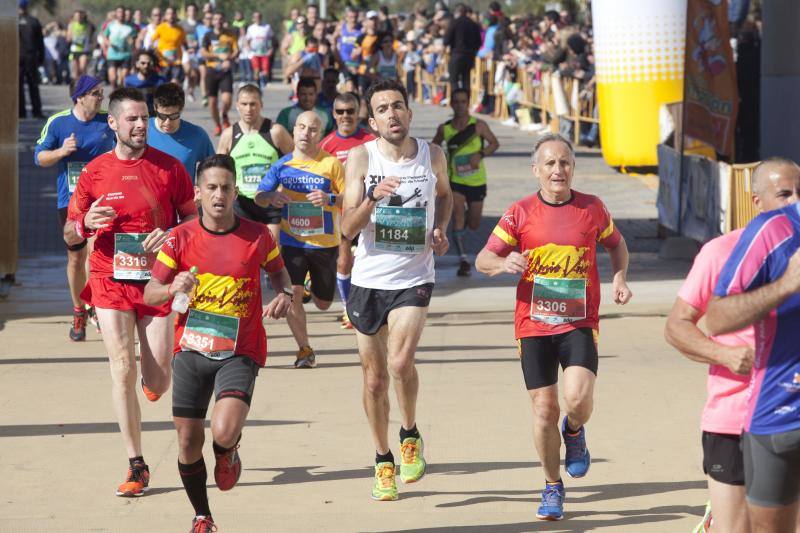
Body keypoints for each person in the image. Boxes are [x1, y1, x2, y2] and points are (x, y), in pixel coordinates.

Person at [475, 133, 632, 521]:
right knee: (544, 409)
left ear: (573, 168)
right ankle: (551, 485)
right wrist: (503, 263)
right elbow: (482, 259)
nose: (558, 169)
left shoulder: (592, 208)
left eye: (564, 162)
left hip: (579, 321)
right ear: (536, 170)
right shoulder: (519, 213)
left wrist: (620, 278)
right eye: (550, 163)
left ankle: (574, 430)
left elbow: (616, 244)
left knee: (576, 400)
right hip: (533, 324)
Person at [144, 154, 293, 533]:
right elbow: (150, 292)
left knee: (223, 431)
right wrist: (171, 288)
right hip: (190, 349)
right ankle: (202, 516)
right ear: (197, 193)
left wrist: (286, 294)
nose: (219, 195)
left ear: (236, 191)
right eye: (211, 187)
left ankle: (228, 450)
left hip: (239, 349)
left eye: (226, 187)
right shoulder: (180, 238)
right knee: (187, 440)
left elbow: (279, 274)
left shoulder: (258, 236)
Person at [65, 87, 197, 497]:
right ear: (113, 123)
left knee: (158, 378)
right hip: (109, 278)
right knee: (121, 366)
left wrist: (172, 235)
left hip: (156, 281)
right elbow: (69, 233)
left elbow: (193, 223)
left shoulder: (169, 168)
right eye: (132, 119)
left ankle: (152, 379)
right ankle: (136, 464)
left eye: (144, 118)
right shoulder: (94, 172)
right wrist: (84, 222)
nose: (141, 125)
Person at [665, 159, 800, 533]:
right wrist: (722, 353)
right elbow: (676, 326)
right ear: (757, 202)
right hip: (733, 418)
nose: (794, 202)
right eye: (784, 194)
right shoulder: (722, 251)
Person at [341, 79, 453, 500]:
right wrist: (372, 197)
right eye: (383, 109)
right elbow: (346, 227)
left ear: (409, 112)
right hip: (368, 281)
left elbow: (446, 197)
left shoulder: (432, 155)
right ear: (373, 121)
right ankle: (382, 458)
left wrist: (440, 228)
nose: (392, 113)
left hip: (414, 277)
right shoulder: (361, 158)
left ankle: (409, 434)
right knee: (374, 381)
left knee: (400, 362)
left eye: (398, 106)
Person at [254, 111, 344, 368]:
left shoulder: (331, 164)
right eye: (301, 127)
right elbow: (259, 196)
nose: (306, 133)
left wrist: (329, 199)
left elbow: (350, 197)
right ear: (293, 131)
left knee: (324, 303)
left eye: (312, 129)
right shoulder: (282, 165)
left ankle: (310, 284)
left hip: (325, 244)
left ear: (320, 134)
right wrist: (271, 197)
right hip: (292, 242)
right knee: (291, 294)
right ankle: (305, 350)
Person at [35, 75, 114, 340]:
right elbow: (40, 158)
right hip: (70, 202)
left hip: (102, 199)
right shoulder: (58, 122)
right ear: (79, 96)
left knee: (96, 253)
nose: (101, 97)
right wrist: (61, 152)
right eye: (95, 93)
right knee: (76, 258)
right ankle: (79, 310)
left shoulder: (108, 121)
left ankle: (97, 307)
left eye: (101, 93)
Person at [319, 92, 375, 329]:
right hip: (341, 213)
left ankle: (371, 305)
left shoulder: (371, 140)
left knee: (369, 261)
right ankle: (348, 309)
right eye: (340, 111)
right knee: (343, 262)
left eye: (350, 111)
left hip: (370, 211)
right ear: (333, 114)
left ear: (358, 112)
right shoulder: (326, 144)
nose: (345, 116)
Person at [432, 87, 500, 276]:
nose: (460, 105)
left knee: (474, 223)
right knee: (458, 215)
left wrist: (480, 154)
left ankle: (464, 228)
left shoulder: (478, 125)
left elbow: (494, 143)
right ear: (451, 104)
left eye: (463, 102)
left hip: (477, 181)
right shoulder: (445, 128)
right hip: (455, 180)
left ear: (468, 104)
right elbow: (433, 148)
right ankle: (463, 259)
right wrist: (442, 160)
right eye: (457, 102)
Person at [217, 84, 294, 243]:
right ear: (237, 105)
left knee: (272, 250)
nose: (249, 109)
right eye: (244, 104)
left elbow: (295, 160)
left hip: (270, 200)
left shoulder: (275, 131)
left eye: (253, 104)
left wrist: (282, 187)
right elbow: (218, 171)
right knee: (243, 252)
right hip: (241, 202)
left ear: (261, 105)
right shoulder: (229, 135)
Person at [148, 83, 215, 182]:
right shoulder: (142, 131)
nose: (167, 122)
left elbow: (213, 170)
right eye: (162, 116)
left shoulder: (197, 135)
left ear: (181, 109)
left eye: (173, 116)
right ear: (155, 107)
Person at [201, 12, 238, 136]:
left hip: (225, 71)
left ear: (224, 20)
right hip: (212, 70)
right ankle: (218, 125)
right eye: (216, 19)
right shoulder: (208, 35)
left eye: (221, 19)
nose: (218, 21)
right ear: (213, 21)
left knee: (227, 99)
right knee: (212, 103)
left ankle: (224, 114)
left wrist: (229, 59)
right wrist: (217, 55)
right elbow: (203, 52)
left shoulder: (230, 34)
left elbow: (236, 51)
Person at [443, 3, 482, 95]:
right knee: (466, 80)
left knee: (454, 80)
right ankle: (466, 99)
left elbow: (446, 41)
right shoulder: (474, 24)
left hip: (456, 54)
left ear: (457, 12)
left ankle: (456, 99)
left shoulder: (454, 23)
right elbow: (479, 42)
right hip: (469, 56)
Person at [19, 0, 45, 119]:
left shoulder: (12, 21)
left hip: (16, 57)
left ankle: (20, 112)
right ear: (27, 7)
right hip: (31, 56)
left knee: (18, 85)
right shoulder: (34, 21)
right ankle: (36, 111)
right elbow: (40, 41)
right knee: (33, 84)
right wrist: (41, 57)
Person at [124, 50, 167, 116]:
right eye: (143, 63)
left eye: (149, 63)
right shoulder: (129, 81)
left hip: (155, 115)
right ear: (137, 64)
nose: (146, 66)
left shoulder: (161, 81)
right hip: (136, 115)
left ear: (153, 64)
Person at [102, 6, 135, 90]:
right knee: (112, 78)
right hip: (112, 55)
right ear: (116, 14)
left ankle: (120, 93)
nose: (121, 14)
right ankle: (114, 90)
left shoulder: (130, 27)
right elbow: (104, 37)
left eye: (123, 12)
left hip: (126, 55)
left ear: (125, 14)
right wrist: (108, 43)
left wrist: (131, 42)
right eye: (119, 12)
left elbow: (133, 40)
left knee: (123, 78)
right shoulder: (110, 25)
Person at [152, 6, 186, 85]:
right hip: (163, 62)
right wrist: (157, 53)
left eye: (173, 13)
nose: (171, 16)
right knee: (164, 85)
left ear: (176, 15)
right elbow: (152, 42)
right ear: (165, 16)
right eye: (168, 14)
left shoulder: (180, 30)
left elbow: (184, 44)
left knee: (175, 83)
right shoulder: (160, 28)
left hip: (176, 62)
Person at [246, 11, 273, 90]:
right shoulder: (251, 28)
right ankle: (257, 85)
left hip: (265, 53)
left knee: (265, 72)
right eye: (255, 17)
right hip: (254, 53)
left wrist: (271, 48)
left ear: (261, 17)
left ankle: (264, 83)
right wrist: (248, 48)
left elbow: (271, 38)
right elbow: (247, 40)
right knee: (256, 70)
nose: (257, 18)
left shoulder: (267, 27)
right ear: (253, 18)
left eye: (259, 16)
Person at [180, 3, 200, 101]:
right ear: (187, 12)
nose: (192, 12)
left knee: (194, 75)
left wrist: (197, 44)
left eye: (194, 10)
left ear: (196, 12)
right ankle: (186, 79)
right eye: (190, 10)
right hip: (185, 51)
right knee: (187, 70)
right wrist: (185, 47)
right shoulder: (182, 24)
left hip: (196, 52)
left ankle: (191, 91)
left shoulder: (200, 24)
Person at [67, 10, 93, 80]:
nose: (78, 17)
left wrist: (85, 39)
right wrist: (73, 38)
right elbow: (68, 38)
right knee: (75, 71)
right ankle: (77, 83)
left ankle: (82, 82)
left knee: (82, 68)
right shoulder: (71, 25)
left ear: (83, 16)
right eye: (76, 16)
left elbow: (90, 36)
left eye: (79, 16)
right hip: (74, 50)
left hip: (84, 50)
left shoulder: (88, 25)